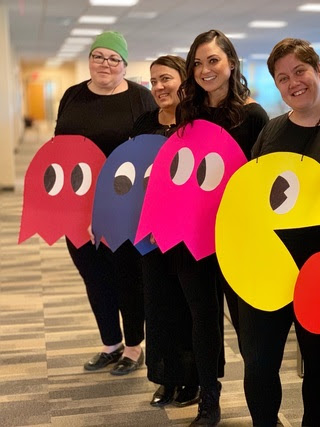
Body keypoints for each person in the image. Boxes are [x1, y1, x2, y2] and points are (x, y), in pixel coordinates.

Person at [243, 38, 320, 427]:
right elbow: (253, 197)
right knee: (258, 361)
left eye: (300, 71)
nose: (294, 83)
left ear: (319, 71)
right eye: (283, 78)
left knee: (319, 363)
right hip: (270, 268)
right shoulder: (272, 131)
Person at [176, 29, 269, 426]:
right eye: (196, 63)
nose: (204, 70)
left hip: (237, 235)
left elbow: (260, 180)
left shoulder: (252, 115)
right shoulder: (188, 114)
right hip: (193, 233)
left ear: (231, 63)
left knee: (248, 327)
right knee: (202, 318)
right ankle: (209, 400)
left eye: (213, 60)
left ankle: (263, 406)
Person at [54, 31, 156, 375]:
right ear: (89, 60)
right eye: (99, 56)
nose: (105, 64)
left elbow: (152, 153)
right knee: (93, 274)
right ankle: (109, 343)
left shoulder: (141, 99)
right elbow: (59, 147)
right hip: (77, 204)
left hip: (124, 206)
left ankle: (132, 346)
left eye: (114, 59)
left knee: (126, 276)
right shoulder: (72, 95)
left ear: (124, 65)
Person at [131, 55, 202, 408]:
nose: (159, 87)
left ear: (183, 81)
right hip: (150, 232)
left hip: (189, 230)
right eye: (154, 81)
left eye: (166, 79)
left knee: (188, 307)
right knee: (157, 305)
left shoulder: (198, 122)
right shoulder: (144, 122)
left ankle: (192, 380)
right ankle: (166, 377)